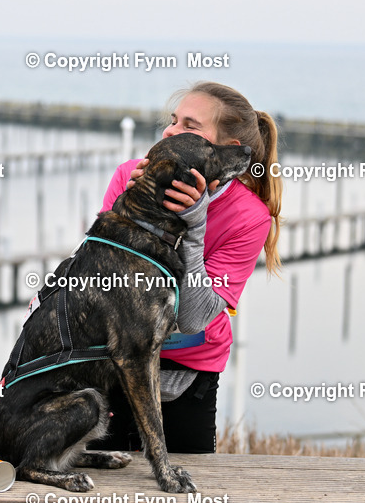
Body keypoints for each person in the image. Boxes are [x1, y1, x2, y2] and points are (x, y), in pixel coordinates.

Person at [89, 81, 282, 453]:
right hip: (115, 360)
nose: (170, 131)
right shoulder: (130, 176)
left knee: (185, 497)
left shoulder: (250, 216)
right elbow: (104, 283)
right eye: (173, 120)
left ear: (225, 151)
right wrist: (134, 211)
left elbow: (194, 317)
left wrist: (195, 224)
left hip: (186, 372)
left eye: (190, 126)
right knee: (103, 489)